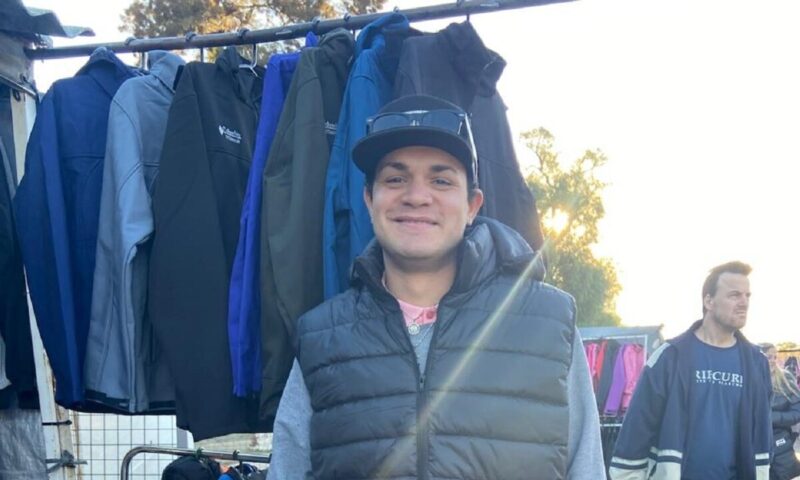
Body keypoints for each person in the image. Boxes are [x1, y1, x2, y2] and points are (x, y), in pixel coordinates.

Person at [266, 94, 605, 479]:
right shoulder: (322, 340)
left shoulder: (549, 326)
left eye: (441, 180)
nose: (416, 197)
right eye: (395, 179)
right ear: (369, 199)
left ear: (473, 205)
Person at [609, 261, 772, 480]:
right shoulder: (670, 357)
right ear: (709, 301)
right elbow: (638, 428)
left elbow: (762, 434)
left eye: (747, 295)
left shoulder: (757, 363)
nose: (744, 303)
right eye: (734, 295)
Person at [760, 343, 800, 480]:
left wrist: (771, 418)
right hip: (755, 445)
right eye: (768, 357)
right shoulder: (746, 380)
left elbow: (797, 411)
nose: (772, 360)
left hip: (781, 445)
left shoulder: (785, 378)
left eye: (775, 357)